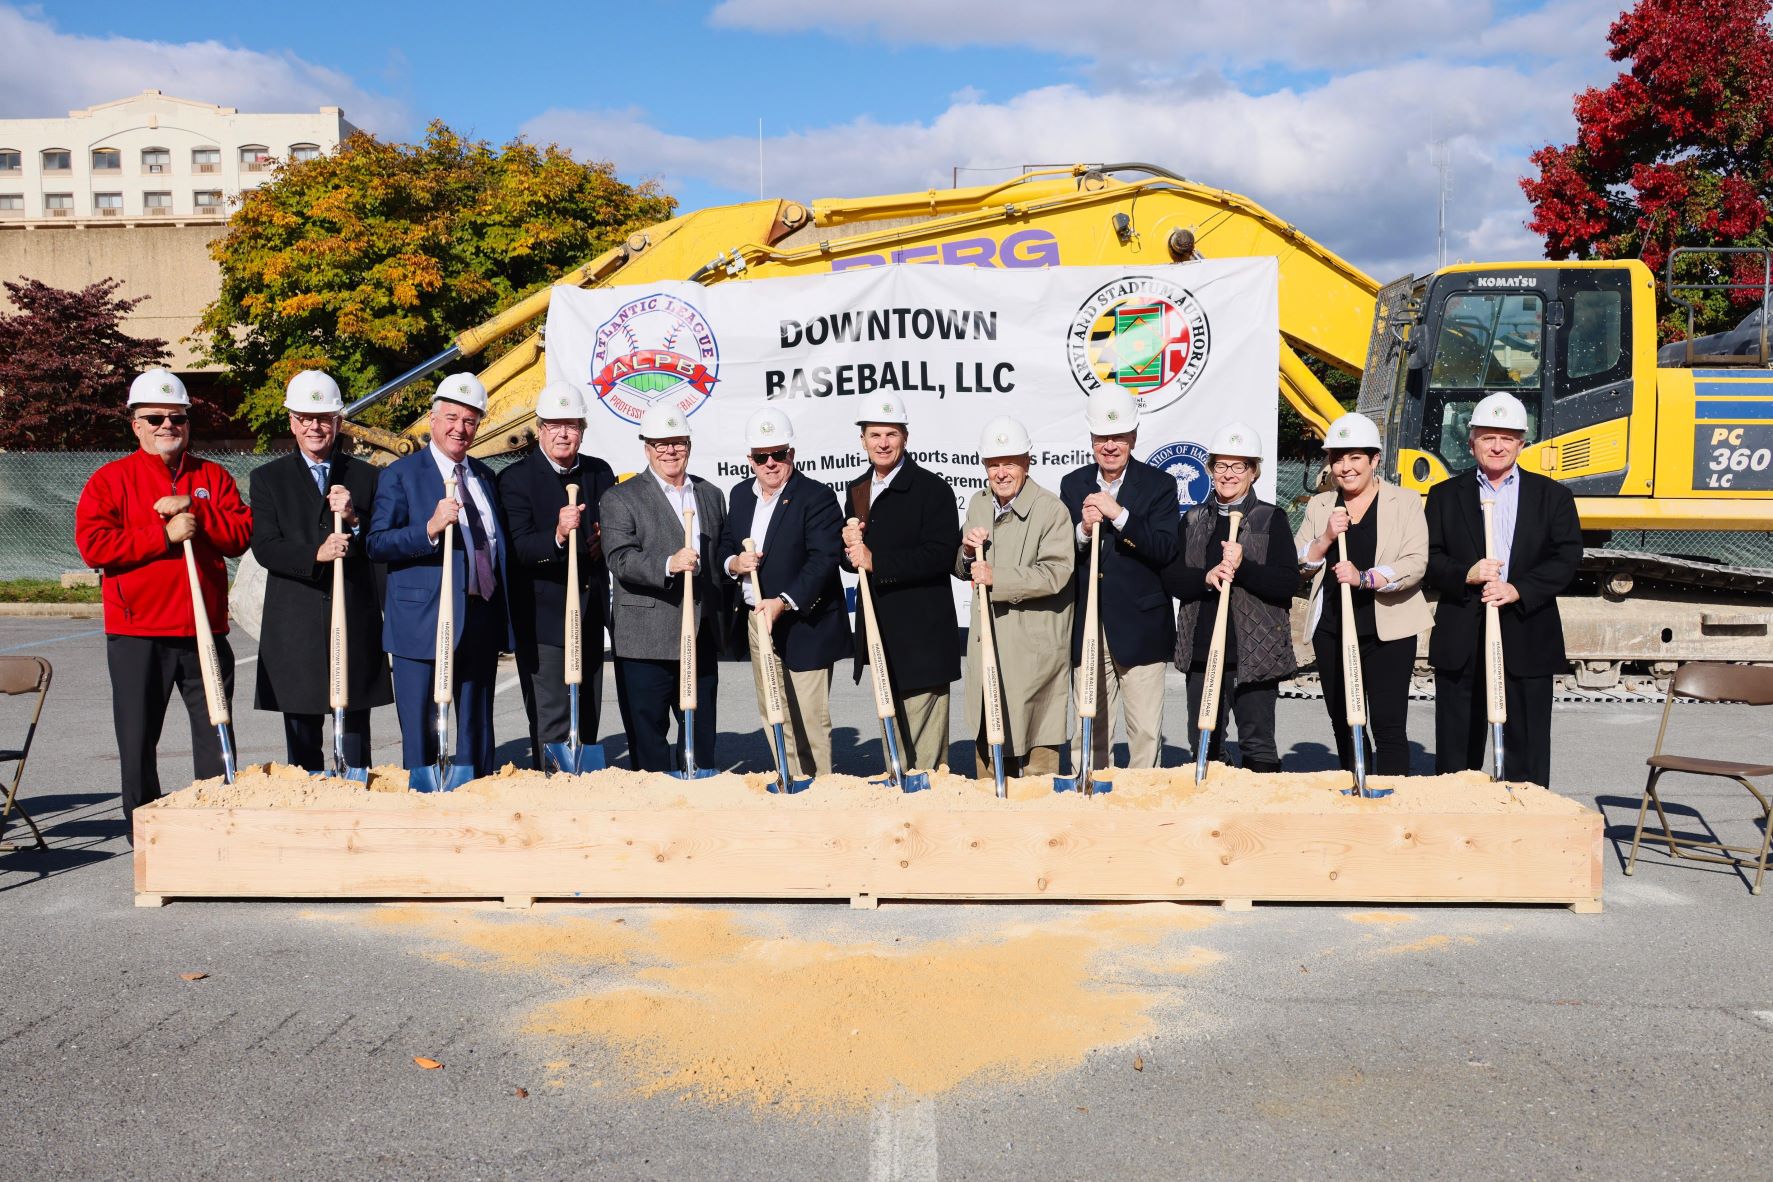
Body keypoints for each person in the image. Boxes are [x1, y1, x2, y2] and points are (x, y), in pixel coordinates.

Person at [74, 369, 253, 829]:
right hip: (138, 633)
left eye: (177, 417)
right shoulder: (111, 480)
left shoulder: (211, 476)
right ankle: (144, 830)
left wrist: (197, 510)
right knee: (137, 740)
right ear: (135, 423)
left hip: (203, 632)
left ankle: (215, 825)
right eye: (154, 418)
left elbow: (239, 535)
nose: (166, 426)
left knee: (215, 735)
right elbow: (95, 545)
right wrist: (163, 535)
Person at [1425, 392, 1582, 788]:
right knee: (1456, 753)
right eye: (1488, 437)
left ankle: (1525, 830)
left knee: (1526, 749)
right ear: (1471, 439)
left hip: (1526, 632)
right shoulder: (1445, 496)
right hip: (1463, 636)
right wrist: (1466, 573)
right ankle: (1458, 827)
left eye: (1507, 438)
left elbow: (1566, 558)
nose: (1497, 446)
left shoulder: (1553, 497)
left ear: (1521, 444)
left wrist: (1518, 590)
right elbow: (1428, 558)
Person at [366, 374, 512, 779]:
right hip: (422, 618)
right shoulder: (402, 474)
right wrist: (429, 529)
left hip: (478, 611)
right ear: (432, 419)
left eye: (469, 421)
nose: (459, 429)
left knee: (476, 719)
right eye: (451, 417)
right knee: (419, 721)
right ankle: (424, 789)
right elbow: (376, 542)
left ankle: (473, 784)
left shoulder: (484, 476)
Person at [248, 370, 393, 771]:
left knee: (354, 730)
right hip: (297, 620)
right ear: (292, 422)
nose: (315, 426)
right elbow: (265, 546)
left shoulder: (366, 476)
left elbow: (381, 542)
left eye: (324, 418)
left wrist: (354, 519)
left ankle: (355, 794)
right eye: (306, 418)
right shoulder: (267, 479)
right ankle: (308, 798)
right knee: (302, 731)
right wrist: (315, 554)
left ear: (339, 423)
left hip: (354, 616)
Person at [716, 408, 851, 778]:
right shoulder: (741, 494)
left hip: (804, 623)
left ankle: (819, 788)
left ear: (791, 454)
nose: (770, 463)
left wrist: (783, 602)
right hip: (757, 622)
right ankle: (789, 780)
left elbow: (823, 559)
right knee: (774, 711)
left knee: (809, 717)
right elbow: (726, 545)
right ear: (750, 460)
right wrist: (734, 563)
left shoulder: (816, 496)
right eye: (761, 457)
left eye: (778, 454)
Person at [1295, 412, 1431, 776]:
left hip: (1387, 630)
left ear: (1374, 460)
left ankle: (1392, 802)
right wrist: (1324, 539)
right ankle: (1356, 789)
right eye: (1338, 458)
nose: (1345, 467)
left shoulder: (1405, 501)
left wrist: (1366, 578)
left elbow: (1415, 563)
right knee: (1344, 722)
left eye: (1355, 457)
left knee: (1388, 726)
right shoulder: (1320, 505)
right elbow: (1300, 563)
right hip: (1333, 629)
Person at [1162, 422, 1296, 772]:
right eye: (1221, 465)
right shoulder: (1192, 519)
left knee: (1258, 745)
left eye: (1239, 466)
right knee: (1204, 743)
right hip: (1203, 651)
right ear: (1209, 470)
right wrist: (1206, 577)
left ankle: (1261, 820)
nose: (1229, 474)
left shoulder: (1270, 518)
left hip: (1254, 653)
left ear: (1253, 472)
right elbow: (1174, 579)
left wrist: (1244, 567)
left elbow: (1286, 585)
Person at [1058, 388, 1181, 771]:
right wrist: (1082, 530)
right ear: (1092, 439)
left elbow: (1164, 549)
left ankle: (1142, 811)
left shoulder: (1159, 485)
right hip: (1089, 625)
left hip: (1141, 627)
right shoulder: (1073, 483)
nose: (1109, 446)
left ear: (1133, 437)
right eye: (1102, 438)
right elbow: (1063, 551)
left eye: (1118, 437)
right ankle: (1089, 801)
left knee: (1144, 731)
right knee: (1089, 728)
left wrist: (1119, 514)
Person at [601, 404, 728, 773]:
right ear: (647, 448)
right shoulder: (620, 498)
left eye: (677, 443)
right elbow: (619, 559)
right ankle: (654, 814)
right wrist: (667, 564)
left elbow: (720, 553)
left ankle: (698, 801)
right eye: (661, 444)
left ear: (688, 445)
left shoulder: (710, 494)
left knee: (701, 736)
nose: (670, 451)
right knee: (649, 738)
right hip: (645, 640)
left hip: (699, 634)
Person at [841, 392, 962, 773]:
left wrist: (876, 561)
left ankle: (928, 818)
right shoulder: (858, 489)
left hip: (922, 639)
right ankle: (897, 813)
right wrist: (846, 550)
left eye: (891, 434)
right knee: (893, 746)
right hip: (880, 636)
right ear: (862, 439)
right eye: (874, 434)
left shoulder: (932, 489)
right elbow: (853, 561)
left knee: (925, 762)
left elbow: (941, 554)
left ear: (905, 437)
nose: (882, 443)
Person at [499, 382, 617, 769]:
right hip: (544, 618)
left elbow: (614, 527)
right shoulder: (515, 480)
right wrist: (558, 535)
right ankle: (553, 785)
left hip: (589, 612)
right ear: (540, 428)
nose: (564, 433)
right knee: (551, 714)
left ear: (582, 429)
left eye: (572, 425)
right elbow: (517, 548)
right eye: (554, 425)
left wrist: (605, 541)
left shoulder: (600, 472)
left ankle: (584, 782)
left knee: (587, 709)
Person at [953, 415, 1075, 778]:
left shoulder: (1051, 510)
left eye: (1009, 463)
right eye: (993, 464)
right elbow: (964, 566)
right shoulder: (978, 503)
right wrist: (964, 553)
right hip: (988, 647)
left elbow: (1057, 573)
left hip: (1032, 656)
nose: (1001, 472)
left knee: (1040, 768)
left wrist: (997, 578)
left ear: (1027, 463)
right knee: (990, 765)